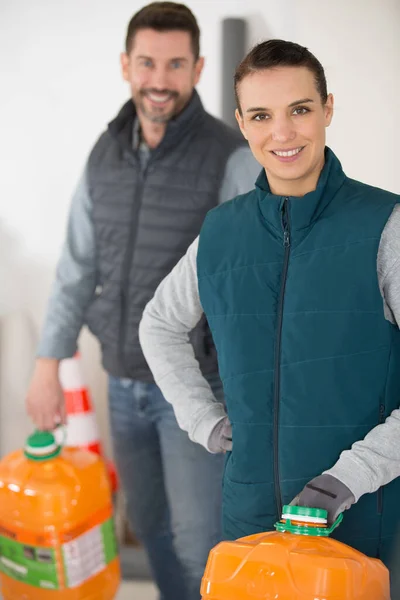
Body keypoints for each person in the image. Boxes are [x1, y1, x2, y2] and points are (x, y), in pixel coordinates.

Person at [139, 38, 400, 575]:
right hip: (251, 520)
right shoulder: (220, 233)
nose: (282, 133)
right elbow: (159, 323)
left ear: (327, 108)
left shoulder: (385, 227)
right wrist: (203, 420)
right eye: (262, 115)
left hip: (367, 519)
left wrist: (351, 476)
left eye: (299, 110)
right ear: (242, 123)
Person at [25, 3, 259, 599]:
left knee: (201, 539)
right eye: (148, 62)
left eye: (175, 64)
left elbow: (256, 285)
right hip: (123, 383)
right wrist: (47, 364)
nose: (160, 79)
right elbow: (78, 266)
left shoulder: (230, 158)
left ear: (198, 67)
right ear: (126, 65)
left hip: (195, 392)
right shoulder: (104, 154)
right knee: (148, 527)